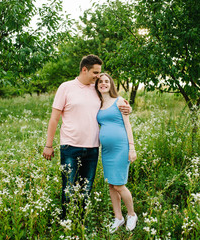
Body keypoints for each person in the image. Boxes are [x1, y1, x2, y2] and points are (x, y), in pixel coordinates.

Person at [42, 55, 130, 220]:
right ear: (84, 69)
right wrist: (49, 145)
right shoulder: (66, 87)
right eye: (95, 72)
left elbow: (112, 102)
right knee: (68, 188)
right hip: (70, 146)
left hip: (92, 148)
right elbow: (54, 118)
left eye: (99, 73)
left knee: (86, 188)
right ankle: (67, 223)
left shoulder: (96, 89)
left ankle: (81, 222)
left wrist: (127, 108)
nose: (98, 76)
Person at [95, 73, 138, 233]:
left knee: (119, 185)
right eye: (100, 81)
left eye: (106, 81)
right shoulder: (97, 103)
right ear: (97, 85)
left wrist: (132, 148)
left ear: (111, 84)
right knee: (112, 185)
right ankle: (118, 218)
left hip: (121, 148)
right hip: (106, 151)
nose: (103, 84)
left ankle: (132, 215)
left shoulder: (119, 101)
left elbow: (127, 125)